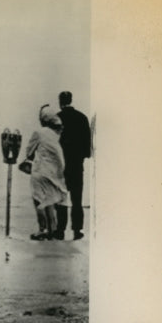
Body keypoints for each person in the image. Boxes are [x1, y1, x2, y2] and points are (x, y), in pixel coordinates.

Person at [24, 105, 69, 240]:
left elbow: (29, 151)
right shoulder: (57, 134)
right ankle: (52, 229)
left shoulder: (39, 132)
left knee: (38, 199)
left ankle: (42, 229)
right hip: (56, 172)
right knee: (49, 200)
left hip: (41, 171)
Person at [57, 91, 92, 240]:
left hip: (61, 165)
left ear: (60, 102)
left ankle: (60, 229)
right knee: (76, 200)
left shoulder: (57, 118)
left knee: (61, 199)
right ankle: (77, 229)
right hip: (77, 165)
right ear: (71, 100)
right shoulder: (82, 118)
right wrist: (81, 156)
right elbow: (87, 146)